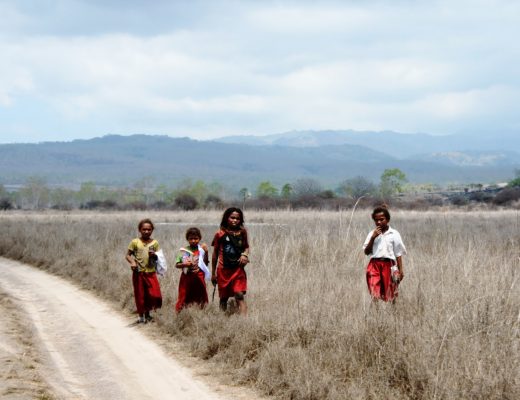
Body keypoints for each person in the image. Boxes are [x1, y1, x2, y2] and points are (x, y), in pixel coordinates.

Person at [363, 206, 406, 302]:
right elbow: (366, 252)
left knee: (391, 291)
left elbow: (398, 253)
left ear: (388, 220)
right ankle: (376, 313)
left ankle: (393, 313)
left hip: (389, 265)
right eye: (376, 220)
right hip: (374, 265)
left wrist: (400, 270)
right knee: (374, 290)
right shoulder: (372, 234)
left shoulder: (394, 234)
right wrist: (373, 238)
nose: (379, 222)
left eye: (382, 219)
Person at [211, 207, 250, 315]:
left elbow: (246, 247)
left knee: (239, 294)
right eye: (232, 217)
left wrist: (244, 255)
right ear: (226, 218)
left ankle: (244, 321)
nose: (234, 220)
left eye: (237, 218)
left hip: (238, 269)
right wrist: (213, 273)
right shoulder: (220, 234)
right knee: (224, 298)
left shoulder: (242, 232)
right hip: (223, 270)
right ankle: (222, 320)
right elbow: (215, 254)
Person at [125, 218, 163, 323]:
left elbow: (158, 258)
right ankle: (142, 316)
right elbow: (128, 255)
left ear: (152, 230)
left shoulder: (155, 243)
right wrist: (132, 262)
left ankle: (148, 312)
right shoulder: (135, 242)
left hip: (151, 272)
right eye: (144, 229)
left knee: (155, 295)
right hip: (139, 273)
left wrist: (154, 255)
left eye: (149, 229)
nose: (146, 231)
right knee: (140, 295)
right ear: (139, 230)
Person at [174, 227, 210, 312]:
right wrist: (185, 264)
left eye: (196, 238)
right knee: (184, 295)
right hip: (186, 278)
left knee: (201, 296)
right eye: (191, 239)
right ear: (187, 239)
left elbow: (205, 264)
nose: (193, 241)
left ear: (199, 239)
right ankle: (180, 314)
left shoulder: (201, 250)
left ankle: (201, 314)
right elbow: (177, 264)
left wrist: (207, 252)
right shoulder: (183, 250)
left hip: (199, 277)